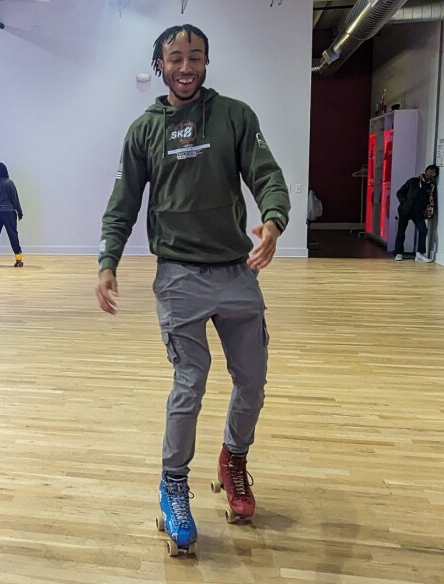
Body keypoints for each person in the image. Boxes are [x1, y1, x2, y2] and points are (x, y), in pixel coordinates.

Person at [95, 24, 290, 555]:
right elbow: (123, 203)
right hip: (178, 275)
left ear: (207, 61)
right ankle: (173, 486)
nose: (186, 67)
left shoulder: (234, 116)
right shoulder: (144, 130)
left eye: (195, 57)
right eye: (175, 58)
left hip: (235, 271)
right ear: (160, 65)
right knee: (191, 381)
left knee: (252, 380)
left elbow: (268, 176)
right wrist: (107, 260)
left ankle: (234, 461)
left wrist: (273, 220)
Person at [393, 164, 437, 262]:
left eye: (434, 172)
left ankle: (420, 253)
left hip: (417, 212)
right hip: (405, 210)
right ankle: (398, 252)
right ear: (426, 171)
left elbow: (431, 200)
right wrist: (404, 203)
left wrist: (428, 211)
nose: (432, 173)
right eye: (431, 171)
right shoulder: (413, 181)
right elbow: (399, 192)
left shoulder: (431, 187)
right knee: (401, 231)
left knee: (423, 230)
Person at [0, 162, 24, 268]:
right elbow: (15, 199)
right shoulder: (9, 183)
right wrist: (19, 211)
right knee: (13, 234)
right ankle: (18, 258)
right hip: (8, 211)